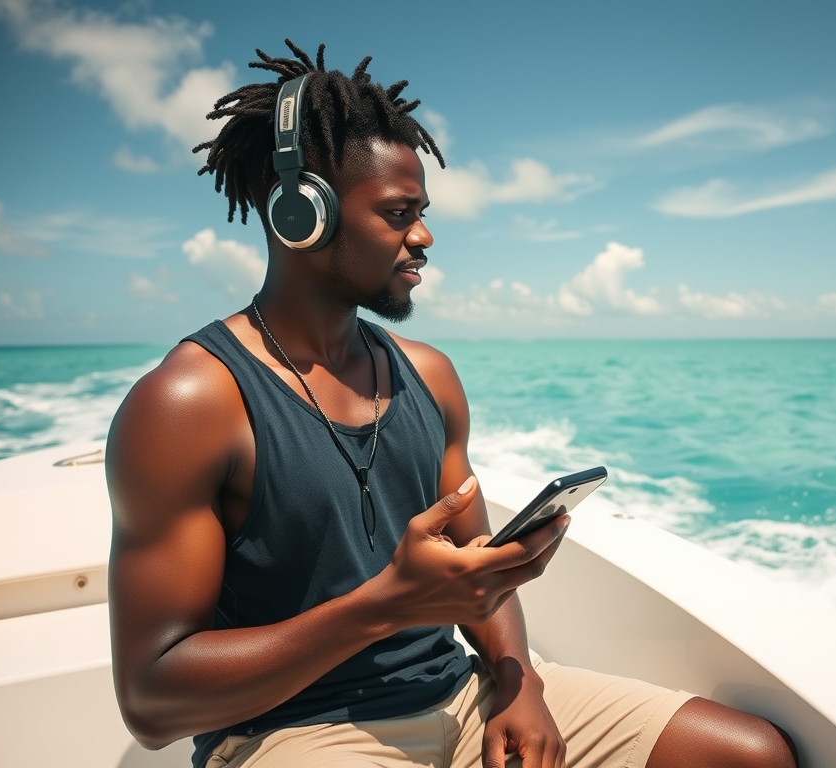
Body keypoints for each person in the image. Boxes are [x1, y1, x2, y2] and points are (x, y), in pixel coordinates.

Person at [107, 40, 798, 768]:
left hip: (465, 698)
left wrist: (517, 681)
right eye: (398, 212)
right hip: (293, 732)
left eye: (423, 211)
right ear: (301, 215)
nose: (424, 236)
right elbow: (153, 702)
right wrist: (387, 606)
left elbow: (477, 573)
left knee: (749, 754)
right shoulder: (188, 403)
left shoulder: (429, 375)